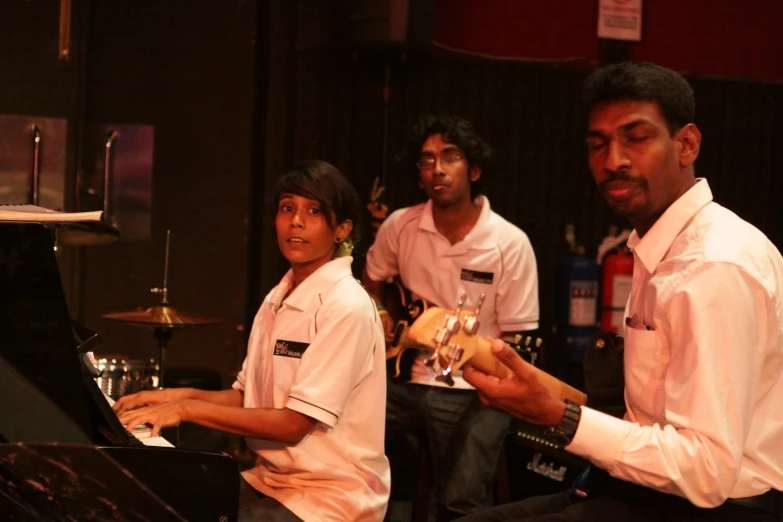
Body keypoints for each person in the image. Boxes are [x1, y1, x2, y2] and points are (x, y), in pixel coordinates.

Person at [457, 61, 783, 521]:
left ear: (686, 144)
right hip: (645, 488)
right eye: (598, 144)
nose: (613, 161)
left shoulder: (715, 264)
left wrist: (559, 417)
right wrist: (542, 397)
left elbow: (707, 469)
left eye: (636, 137)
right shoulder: (661, 244)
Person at [114, 160, 391, 522]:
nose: (296, 221)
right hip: (275, 479)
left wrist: (186, 410)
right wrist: (171, 396)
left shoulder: (346, 306)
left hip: (333, 495)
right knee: (160, 505)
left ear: (342, 230)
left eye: (314, 211)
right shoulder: (279, 296)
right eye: (287, 208)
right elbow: (246, 397)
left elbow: (294, 424)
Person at [362, 115, 540, 520]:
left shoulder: (510, 244)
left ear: (474, 170)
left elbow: (517, 343)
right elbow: (370, 283)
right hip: (401, 378)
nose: (437, 169)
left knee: (460, 497)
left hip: (477, 385)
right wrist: (383, 312)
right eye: (426, 161)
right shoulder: (400, 226)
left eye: (450, 157)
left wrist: (488, 377)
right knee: (339, 446)